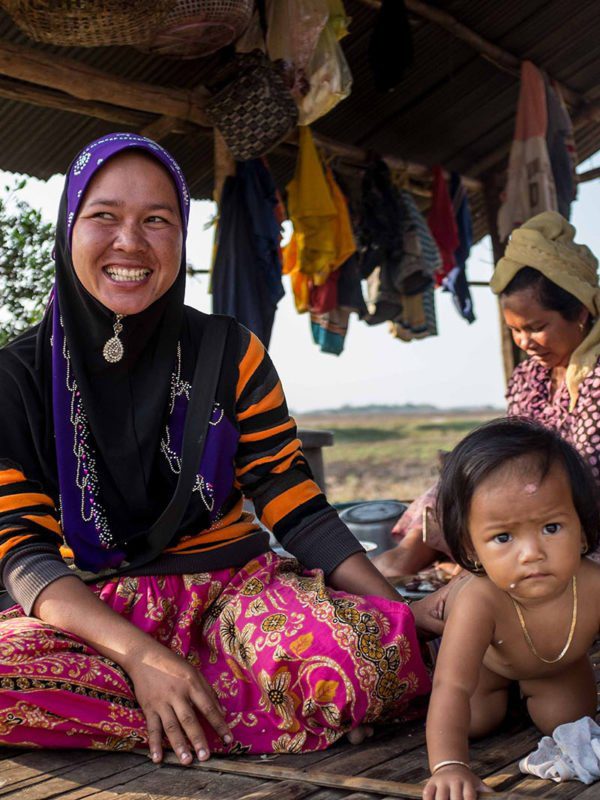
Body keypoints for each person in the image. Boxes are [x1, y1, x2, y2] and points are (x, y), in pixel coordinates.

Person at [0, 133, 431, 764]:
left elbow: (293, 500)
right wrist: (144, 658)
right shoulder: (17, 377)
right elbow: (23, 553)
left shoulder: (229, 352)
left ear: (182, 236)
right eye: (104, 216)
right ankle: (259, 713)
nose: (130, 242)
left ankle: (192, 719)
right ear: (69, 229)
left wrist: (395, 614)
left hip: (233, 600)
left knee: (364, 657)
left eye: (157, 220)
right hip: (89, 615)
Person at [374, 210, 600, 579]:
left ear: (579, 311)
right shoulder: (530, 376)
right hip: (527, 501)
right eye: (515, 330)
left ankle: (472, 569)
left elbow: (586, 479)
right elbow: (511, 450)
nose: (525, 343)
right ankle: (406, 559)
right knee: (458, 481)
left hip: (574, 516)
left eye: (536, 327)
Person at [423, 417, 600, 800]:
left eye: (552, 528)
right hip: (484, 665)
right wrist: (449, 765)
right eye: (503, 537)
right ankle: (432, 615)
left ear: (583, 530)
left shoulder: (594, 584)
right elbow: (451, 685)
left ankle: (528, 691)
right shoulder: (481, 599)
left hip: (556, 663)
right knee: (476, 720)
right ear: (471, 550)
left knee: (570, 721)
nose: (532, 553)